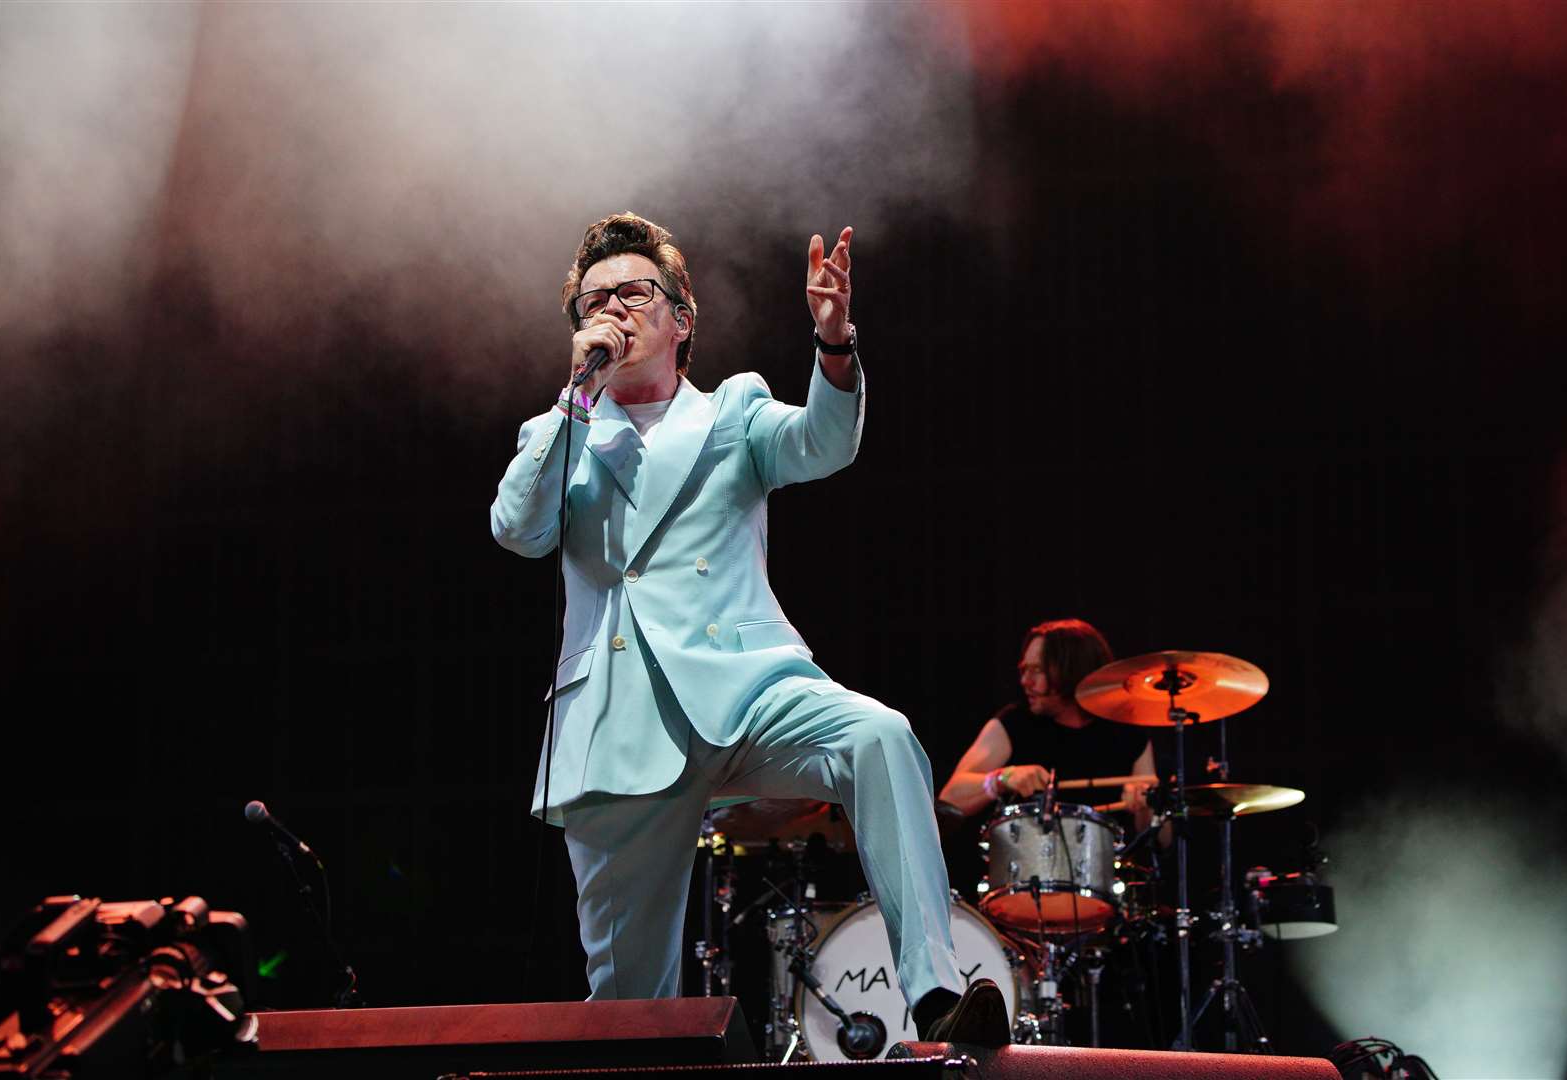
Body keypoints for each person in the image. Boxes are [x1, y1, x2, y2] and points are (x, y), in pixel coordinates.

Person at [490, 212, 1007, 1046]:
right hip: (618, 722)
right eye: (594, 300)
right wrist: (574, 398)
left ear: (680, 320)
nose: (613, 310)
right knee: (631, 1016)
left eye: (632, 292)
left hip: (747, 688)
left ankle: (939, 998)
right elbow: (518, 529)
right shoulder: (560, 434)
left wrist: (834, 346)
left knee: (879, 736)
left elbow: (823, 443)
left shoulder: (733, 410)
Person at [939, 619, 1158, 829]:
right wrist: (1002, 778)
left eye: (1037, 670)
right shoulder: (1014, 723)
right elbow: (950, 800)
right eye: (1024, 670)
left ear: (1071, 671)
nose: (1025, 681)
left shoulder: (1128, 732)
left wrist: (1145, 805)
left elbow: (1162, 840)